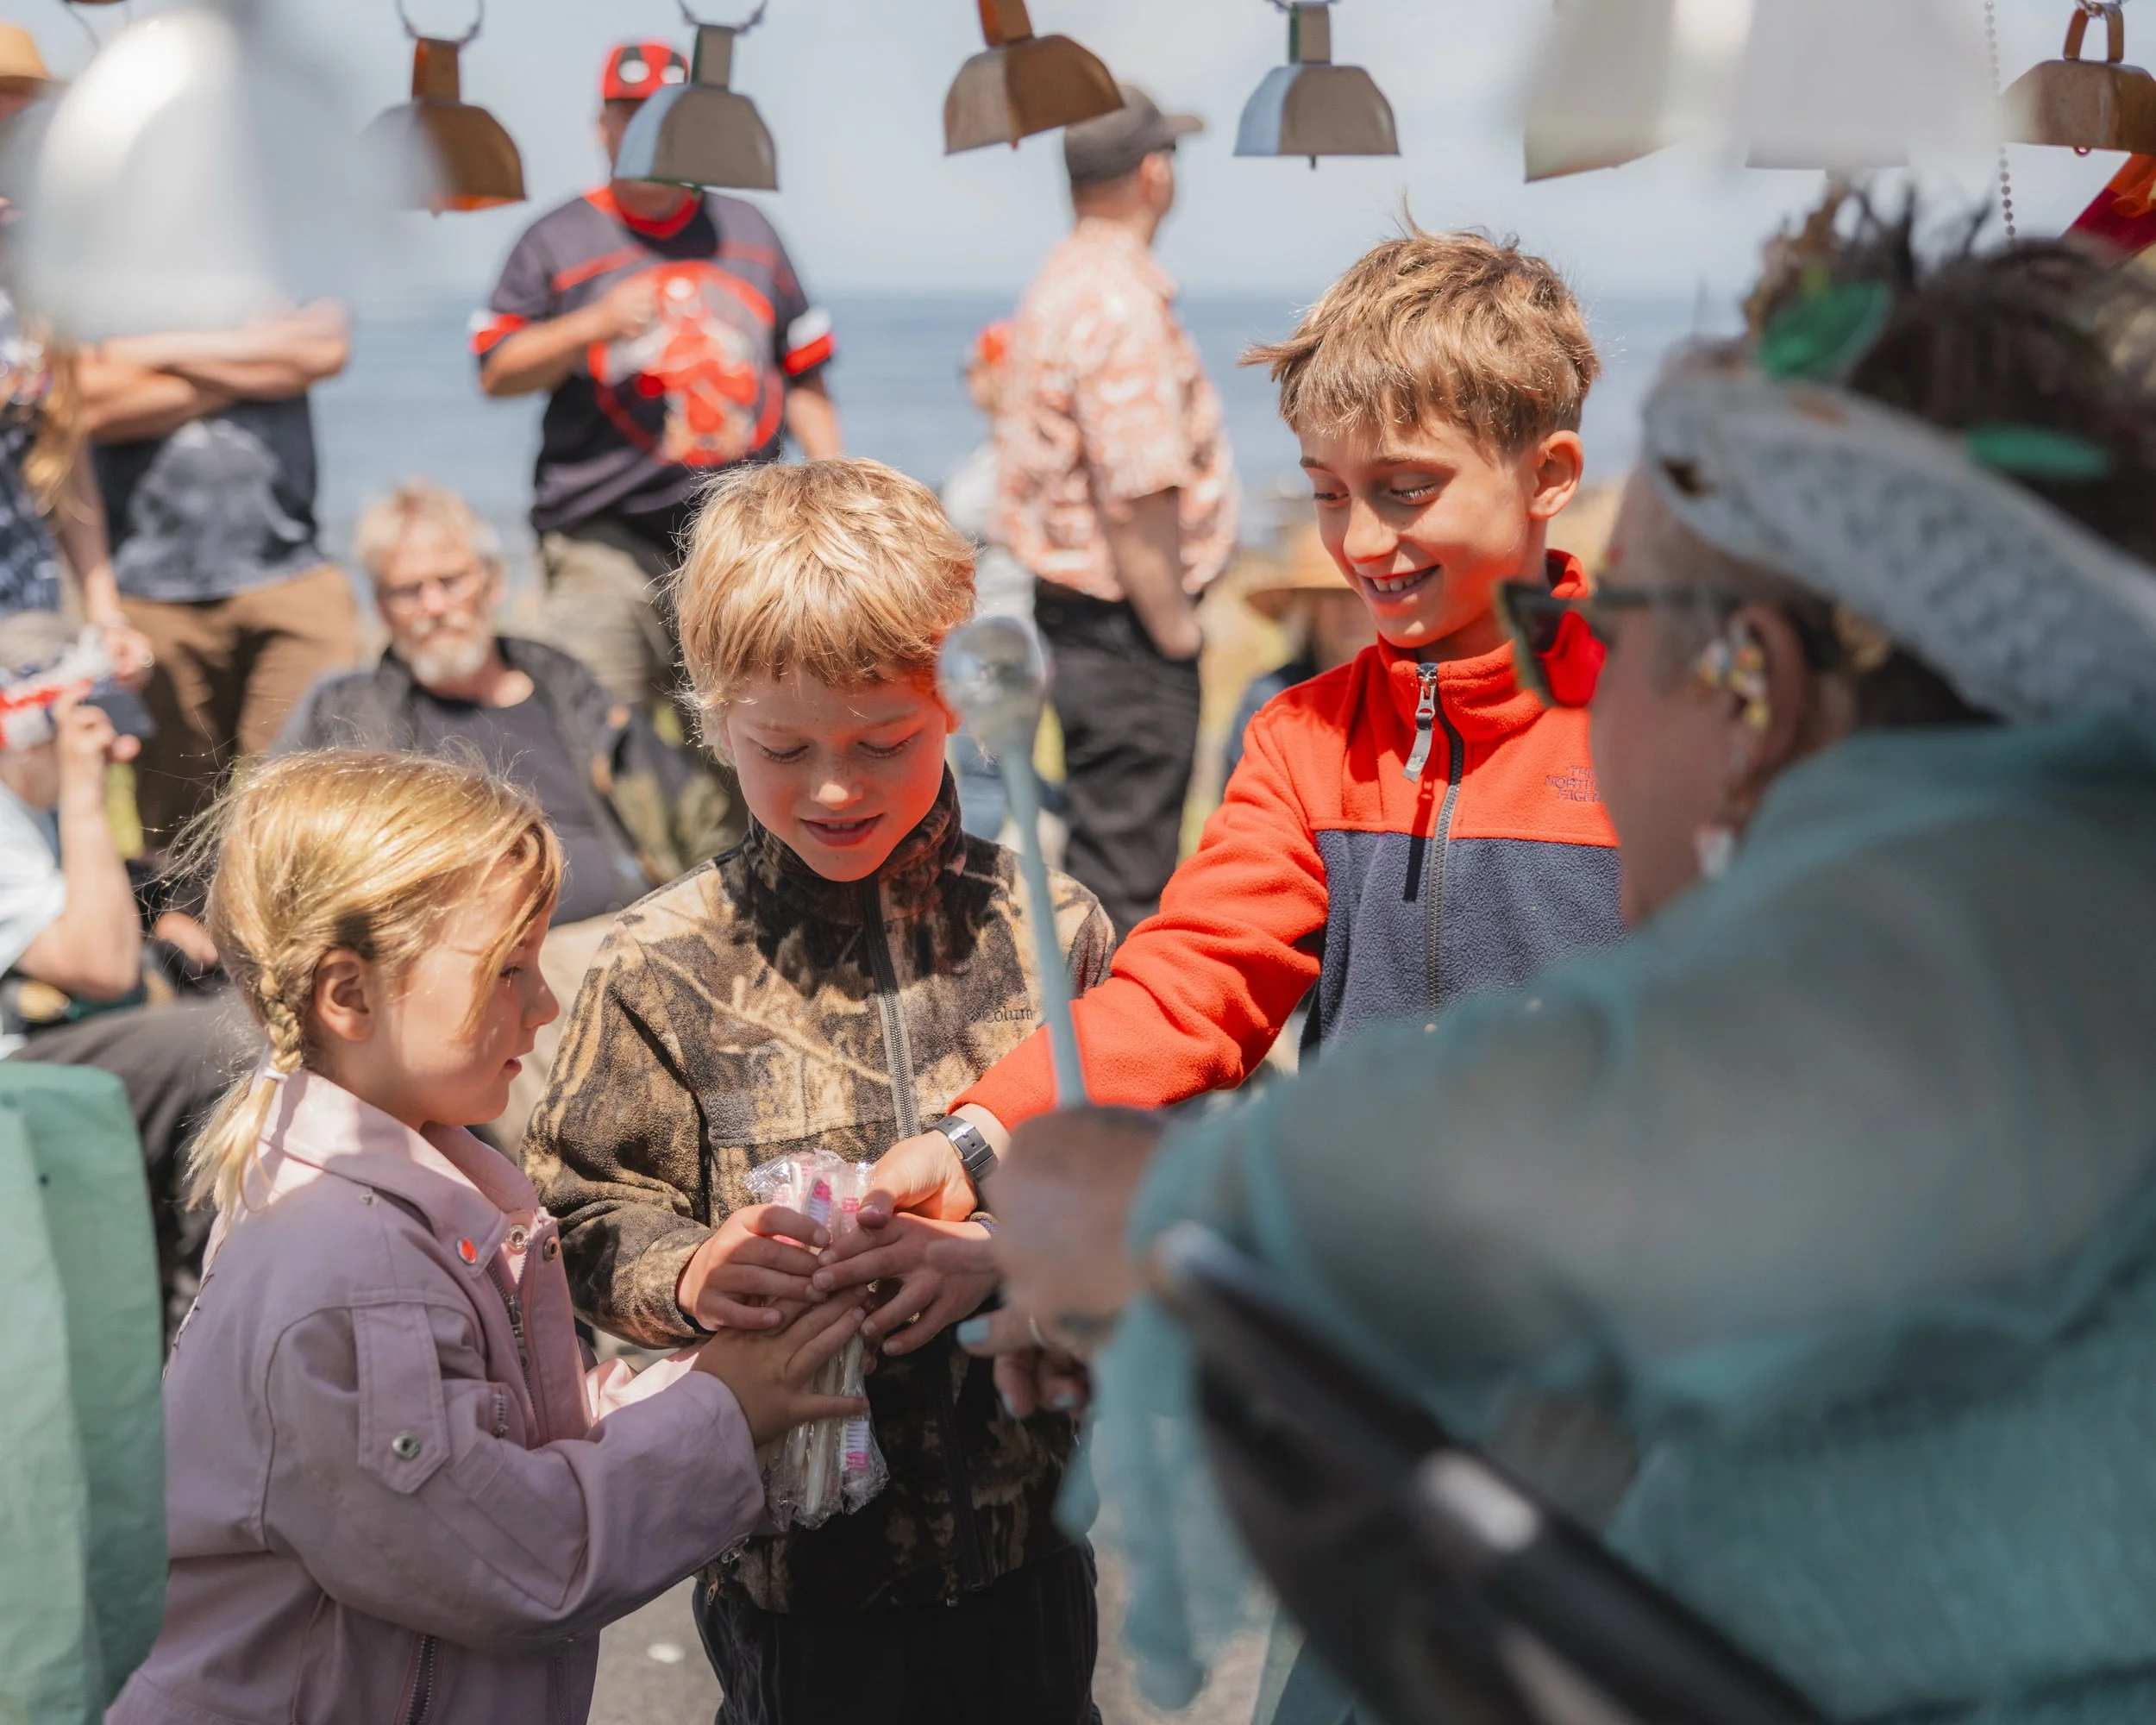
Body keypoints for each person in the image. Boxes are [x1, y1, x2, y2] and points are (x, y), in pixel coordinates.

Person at [968, 206, 2156, 1725]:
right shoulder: (2066, 876)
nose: (1573, 652)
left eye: (1633, 614)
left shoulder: (1955, 960)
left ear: (1759, 690)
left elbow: (1632, 1126)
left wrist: (1147, 1207)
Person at [853, 230, 1620, 1261]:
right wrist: (978, 1135)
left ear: (1550, 475)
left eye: (1405, 488)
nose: (1357, 543)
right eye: (1327, 491)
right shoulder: (1303, 735)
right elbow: (1192, 981)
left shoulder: (1664, 724)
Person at [523, 459, 1115, 1725]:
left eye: (882, 741)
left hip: (1032, 1557)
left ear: (955, 703)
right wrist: (685, 1275)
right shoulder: (658, 965)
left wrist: (1000, 1252)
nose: (835, 788)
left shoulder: (1051, 931)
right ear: (711, 718)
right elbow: (570, 1214)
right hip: (792, 1589)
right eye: (783, 749)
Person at [110, 750, 869, 1725]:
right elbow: (511, 1555)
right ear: (348, 994)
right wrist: (723, 1412)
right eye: (509, 969)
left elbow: (499, 1438)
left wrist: (701, 1376)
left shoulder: (388, 1192)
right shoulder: (353, 1268)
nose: (544, 1003)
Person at [277, 480, 736, 1149]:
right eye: (410, 591)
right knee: (517, 987)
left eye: (450, 581)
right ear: (382, 607)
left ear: (492, 584)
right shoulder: (355, 715)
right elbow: (289, 842)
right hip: (481, 960)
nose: (434, 606)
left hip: (625, 933)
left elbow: (692, 821)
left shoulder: (570, 690)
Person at [474, 40, 843, 727]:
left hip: (738, 534)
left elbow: (805, 375)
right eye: (629, 114)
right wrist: (591, 326)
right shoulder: (558, 239)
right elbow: (496, 371)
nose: (645, 132)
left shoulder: (750, 229)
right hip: (602, 535)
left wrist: (834, 496)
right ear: (602, 127)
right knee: (594, 727)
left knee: (765, 725)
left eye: (661, 116)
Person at [1000, 85, 1238, 937]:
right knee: (1132, 882)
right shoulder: (1115, 301)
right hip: (1126, 623)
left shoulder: (1065, 280)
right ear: (1152, 174)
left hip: (1082, 617)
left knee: (1109, 858)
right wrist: (1176, 629)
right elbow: (1137, 490)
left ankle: (1102, 1058)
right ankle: (1119, 1069)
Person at [0, 610, 253, 1335]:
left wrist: (162, 913)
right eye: (101, 718)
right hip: (18, 1068)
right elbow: (103, 970)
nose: (126, 742)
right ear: (32, 724)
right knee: (223, 1046)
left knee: (259, 1012)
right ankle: (200, 1332)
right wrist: (83, 789)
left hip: (55, 1052)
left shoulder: (31, 806)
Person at [78, 301, 357, 847]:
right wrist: (260, 367)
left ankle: (296, 931)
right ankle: (186, 931)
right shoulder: (95, 272)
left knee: (309, 795)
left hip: (291, 574)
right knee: (175, 820)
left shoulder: (270, 242)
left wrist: (147, 352)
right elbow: (85, 403)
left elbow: (322, 350)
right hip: (151, 592)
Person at [941, 317, 1036, 840]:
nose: (967, 381)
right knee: (998, 766)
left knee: (984, 769)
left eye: (973, 369)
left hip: (1009, 626)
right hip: (991, 625)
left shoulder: (1021, 456)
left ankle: (976, 884)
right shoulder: (1003, 450)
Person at [1224, 523, 1379, 780]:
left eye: (1362, 593)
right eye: (1333, 596)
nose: (1350, 611)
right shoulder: (1272, 699)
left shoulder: (1417, 698)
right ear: (1308, 609)